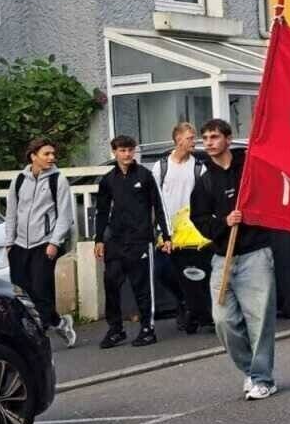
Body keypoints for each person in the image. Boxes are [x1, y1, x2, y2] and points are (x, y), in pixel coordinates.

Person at [190, 118, 277, 400]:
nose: (209, 143)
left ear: (228, 139)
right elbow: (199, 219)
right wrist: (224, 222)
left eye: (214, 137)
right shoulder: (204, 182)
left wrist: (251, 215)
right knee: (223, 320)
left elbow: (269, 196)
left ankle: (264, 378)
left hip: (255, 254)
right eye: (205, 138)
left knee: (260, 320)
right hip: (223, 258)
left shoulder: (249, 169)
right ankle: (250, 370)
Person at [94, 135, 171, 348]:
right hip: (116, 242)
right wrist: (99, 239)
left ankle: (148, 329)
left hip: (140, 241)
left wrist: (166, 235)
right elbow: (101, 211)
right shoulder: (108, 180)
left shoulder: (145, 176)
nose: (127, 154)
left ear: (134, 151)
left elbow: (159, 205)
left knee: (142, 287)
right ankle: (115, 329)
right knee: (111, 284)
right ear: (114, 153)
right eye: (122, 150)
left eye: (130, 150)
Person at [4, 138, 76, 348]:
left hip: (44, 244)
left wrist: (54, 242)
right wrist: (9, 243)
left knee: (41, 289)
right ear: (33, 156)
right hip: (19, 245)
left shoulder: (58, 180)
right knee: (23, 293)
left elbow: (65, 215)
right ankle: (59, 322)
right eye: (46, 154)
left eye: (53, 154)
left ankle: (39, 337)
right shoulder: (19, 179)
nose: (52, 158)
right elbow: (11, 214)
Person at [157, 122, 212, 332]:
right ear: (178, 139)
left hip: (194, 231)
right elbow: (154, 198)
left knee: (195, 273)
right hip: (168, 230)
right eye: (190, 138)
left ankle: (194, 310)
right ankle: (182, 301)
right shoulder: (161, 167)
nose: (194, 141)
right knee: (164, 271)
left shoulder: (199, 166)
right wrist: (159, 229)